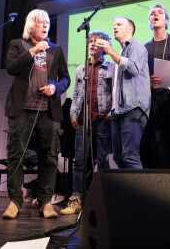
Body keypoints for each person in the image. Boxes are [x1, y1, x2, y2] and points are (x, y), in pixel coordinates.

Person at [2, 9, 70, 219]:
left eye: (48, 23)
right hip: (22, 109)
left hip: (48, 111)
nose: (45, 26)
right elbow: (11, 67)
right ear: (31, 25)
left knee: (49, 158)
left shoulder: (56, 50)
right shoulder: (17, 44)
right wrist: (33, 51)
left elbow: (65, 78)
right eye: (41, 22)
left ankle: (46, 202)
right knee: (16, 155)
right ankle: (14, 201)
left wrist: (55, 88)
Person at [60, 30, 115, 215]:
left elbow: (116, 92)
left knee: (103, 162)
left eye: (97, 41)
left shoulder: (111, 67)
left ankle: (105, 199)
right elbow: (76, 94)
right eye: (90, 41)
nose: (92, 44)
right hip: (83, 122)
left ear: (104, 47)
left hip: (102, 120)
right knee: (79, 163)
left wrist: (111, 113)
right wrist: (73, 114)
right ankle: (76, 199)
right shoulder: (80, 68)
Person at [96, 17, 151, 169]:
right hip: (118, 111)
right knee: (119, 158)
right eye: (113, 24)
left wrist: (109, 51)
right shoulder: (120, 52)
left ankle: (139, 193)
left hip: (133, 107)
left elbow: (133, 68)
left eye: (119, 24)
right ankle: (127, 192)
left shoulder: (136, 46)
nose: (114, 27)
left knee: (130, 155)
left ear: (129, 29)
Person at [140, 4, 170, 168]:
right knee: (162, 152)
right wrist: (148, 82)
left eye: (159, 13)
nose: (155, 15)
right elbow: (140, 77)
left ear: (166, 20)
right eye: (152, 13)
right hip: (156, 104)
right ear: (150, 22)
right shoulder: (144, 49)